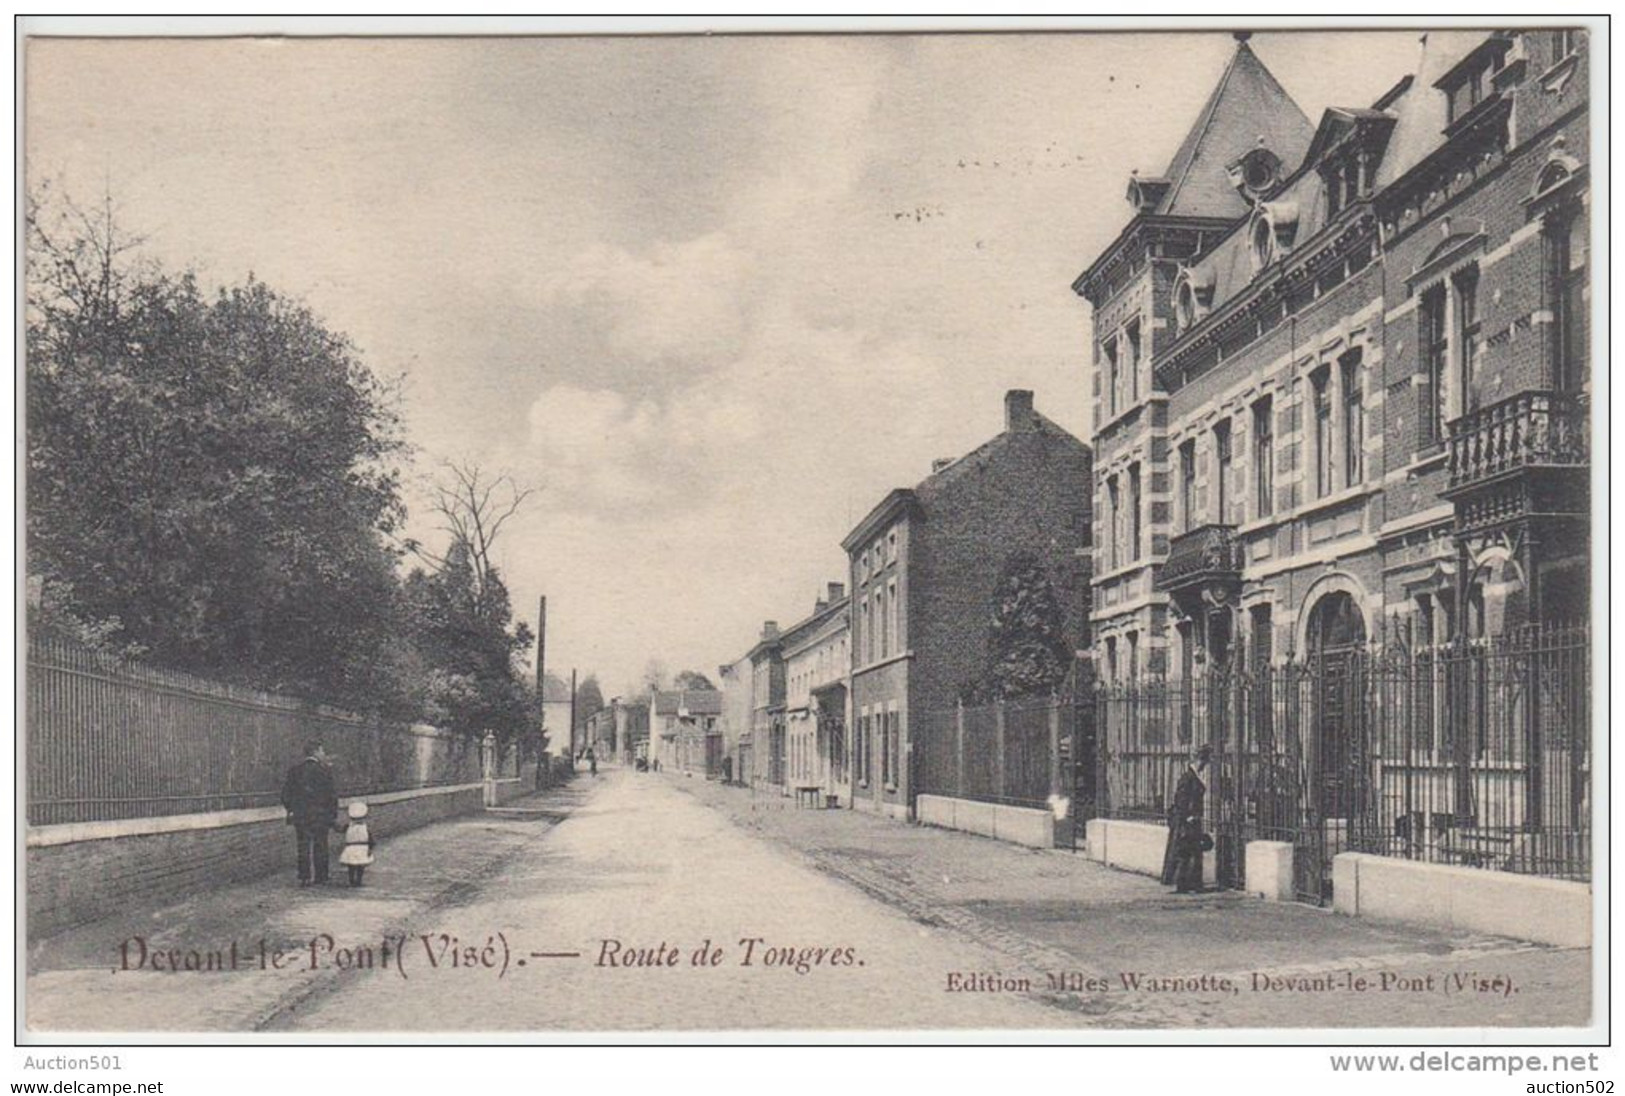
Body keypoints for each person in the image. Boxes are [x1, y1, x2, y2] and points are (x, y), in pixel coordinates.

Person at [281, 740, 339, 887]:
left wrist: (291, 809)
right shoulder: (324, 771)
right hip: (320, 814)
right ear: (315, 752)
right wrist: (332, 815)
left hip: (301, 815)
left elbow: (286, 794)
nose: (323, 754)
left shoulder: (294, 771)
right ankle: (321, 876)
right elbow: (331, 795)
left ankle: (304, 876)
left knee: (303, 846)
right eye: (322, 751)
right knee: (320, 845)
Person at [1161, 744, 1212, 894]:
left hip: (1192, 820)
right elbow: (1181, 799)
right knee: (1186, 852)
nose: (1204, 766)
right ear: (1198, 760)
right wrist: (1188, 816)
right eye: (1204, 762)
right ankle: (1185, 884)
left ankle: (1191, 883)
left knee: (1191, 852)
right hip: (1187, 821)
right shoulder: (1187, 777)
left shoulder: (1192, 776)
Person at [338, 801, 375, 887]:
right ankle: (353, 880)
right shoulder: (359, 827)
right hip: (353, 847)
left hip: (359, 848)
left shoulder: (363, 827)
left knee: (359, 866)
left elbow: (370, 839)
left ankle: (358, 880)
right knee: (353, 866)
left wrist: (370, 848)